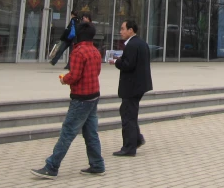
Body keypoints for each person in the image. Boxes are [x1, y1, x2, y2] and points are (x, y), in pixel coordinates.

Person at [31, 23, 105, 179]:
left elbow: (75, 75)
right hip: (94, 95)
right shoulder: (95, 51)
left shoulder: (78, 52)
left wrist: (65, 79)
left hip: (81, 98)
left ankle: (51, 166)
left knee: (67, 132)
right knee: (91, 133)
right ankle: (97, 164)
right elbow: (96, 72)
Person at [110, 19, 153, 157]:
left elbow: (128, 65)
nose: (121, 32)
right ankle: (136, 139)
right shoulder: (141, 43)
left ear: (131, 30)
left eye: (123, 29)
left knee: (128, 115)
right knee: (129, 113)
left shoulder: (132, 45)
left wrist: (117, 62)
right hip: (139, 85)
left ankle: (129, 147)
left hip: (131, 86)